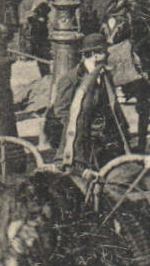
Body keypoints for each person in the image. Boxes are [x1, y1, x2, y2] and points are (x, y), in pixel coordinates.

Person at [44, 31, 129, 168]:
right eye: (104, 52)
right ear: (95, 54)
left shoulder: (105, 76)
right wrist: (82, 127)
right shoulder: (71, 79)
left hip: (104, 138)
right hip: (82, 140)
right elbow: (61, 111)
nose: (107, 54)